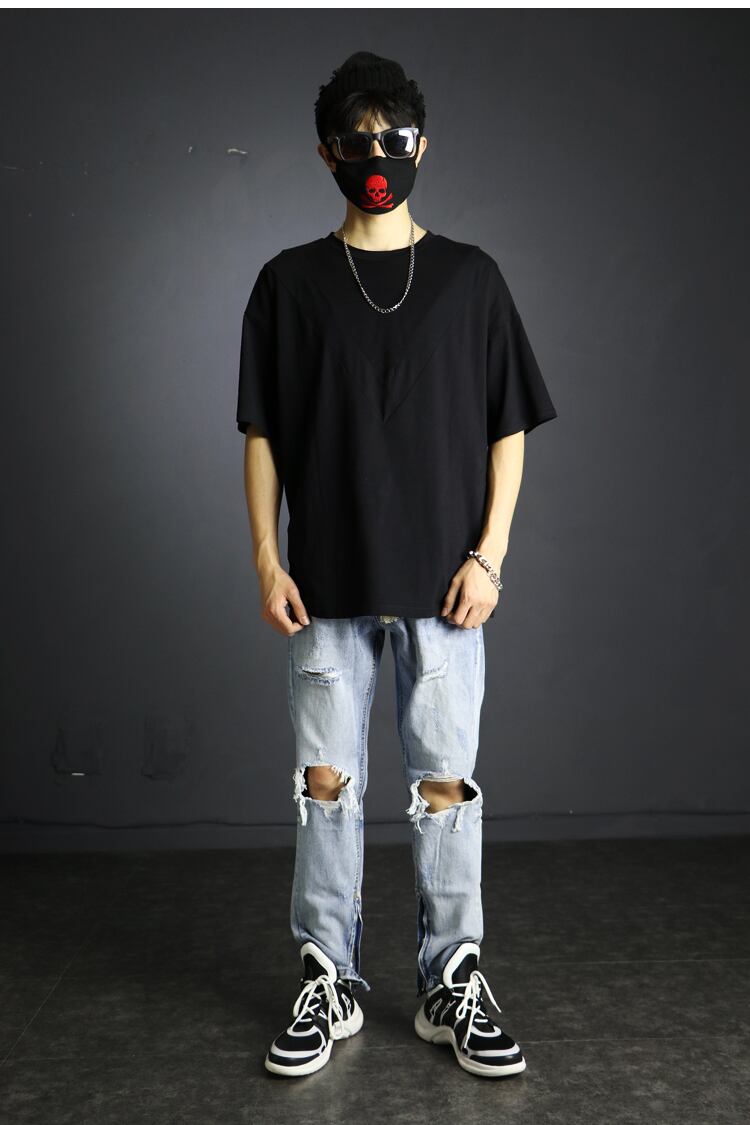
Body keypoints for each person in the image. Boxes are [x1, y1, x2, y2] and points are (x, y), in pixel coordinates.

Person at [236, 50, 558, 1080]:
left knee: (446, 784)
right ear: (326, 151)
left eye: (395, 138)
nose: (378, 157)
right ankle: (326, 977)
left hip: (446, 587)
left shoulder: (471, 278)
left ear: (424, 145)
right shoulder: (288, 284)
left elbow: (509, 426)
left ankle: (451, 978)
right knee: (325, 785)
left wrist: (491, 557)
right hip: (326, 581)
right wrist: (265, 558)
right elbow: (262, 431)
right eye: (358, 140)